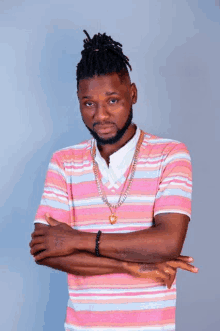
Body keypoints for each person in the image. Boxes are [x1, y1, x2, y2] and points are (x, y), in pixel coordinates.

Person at [29, 30, 198, 331]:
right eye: (88, 103)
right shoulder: (64, 162)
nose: (101, 115)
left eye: (112, 100)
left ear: (133, 94)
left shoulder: (170, 155)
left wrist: (76, 240)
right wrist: (129, 265)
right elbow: (46, 250)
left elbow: (167, 243)